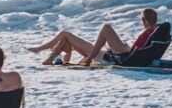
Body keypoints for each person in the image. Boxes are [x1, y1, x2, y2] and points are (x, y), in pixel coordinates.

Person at [27, 8, 160, 66]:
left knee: (66, 34)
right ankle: (51, 58)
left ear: (144, 20)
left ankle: (41, 50)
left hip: (112, 57)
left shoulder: (147, 32)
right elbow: (138, 49)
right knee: (66, 37)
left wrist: (90, 58)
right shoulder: (153, 32)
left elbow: (132, 50)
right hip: (113, 54)